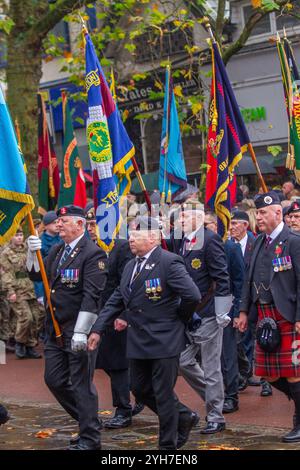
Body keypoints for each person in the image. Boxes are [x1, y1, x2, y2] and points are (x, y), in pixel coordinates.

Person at [88, 216, 202, 450]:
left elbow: (192, 296)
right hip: (138, 339)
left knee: (162, 392)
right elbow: (116, 299)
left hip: (164, 338)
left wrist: (177, 318)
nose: (130, 239)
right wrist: (98, 328)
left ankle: (167, 445)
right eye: (130, 234)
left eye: (136, 235)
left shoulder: (169, 262)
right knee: (139, 388)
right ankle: (183, 416)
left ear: (153, 237)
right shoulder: (131, 265)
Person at [27, 205, 108, 450]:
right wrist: (32, 255)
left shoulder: (94, 254)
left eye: (64, 221)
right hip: (54, 329)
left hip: (77, 329)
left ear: (80, 225)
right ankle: (88, 422)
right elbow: (37, 276)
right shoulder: (58, 250)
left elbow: (92, 296)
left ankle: (90, 438)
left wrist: (83, 331)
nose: (58, 224)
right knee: (54, 380)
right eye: (58, 221)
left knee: (81, 383)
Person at [237, 191, 300, 443]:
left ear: (277, 212)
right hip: (263, 315)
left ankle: (299, 421)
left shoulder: (294, 240)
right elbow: (247, 280)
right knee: (269, 374)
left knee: (295, 373)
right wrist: (243, 311)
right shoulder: (257, 242)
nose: (258, 217)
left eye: (263, 212)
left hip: (287, 313)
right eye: (257, 213)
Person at [171, 206, 231, 434]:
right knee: (183, 361)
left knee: (211, 367)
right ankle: (214, 398)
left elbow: (221, 276)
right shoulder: (182, 240)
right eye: (181, 215)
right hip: (187, 313)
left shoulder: (210, 239)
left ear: (199, 218)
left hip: (207, 313)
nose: (181, 219)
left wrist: (222, 311)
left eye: (186, 215)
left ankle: (216, 416)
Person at [86, 206, 134, 428]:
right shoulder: (89, 247)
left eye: (95, 223)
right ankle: (135, 396)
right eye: (88, 225)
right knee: (104, 362)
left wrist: (123, 314)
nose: (91, 229)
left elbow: (128, 284)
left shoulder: (121, 246)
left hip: (116, 314)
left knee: (117, 364)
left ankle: (123, 409)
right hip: (95, 312)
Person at [1, 228, 42, 359]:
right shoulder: (6, 253)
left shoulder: (28, 249)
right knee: (26, 317)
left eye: (21, 234)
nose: (19, 237)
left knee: (36, 316)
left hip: (29, 287)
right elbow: (6, 274)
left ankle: (30, 346)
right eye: (16, 235)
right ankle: (19, 342)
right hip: (16, 289)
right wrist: (11, 291)